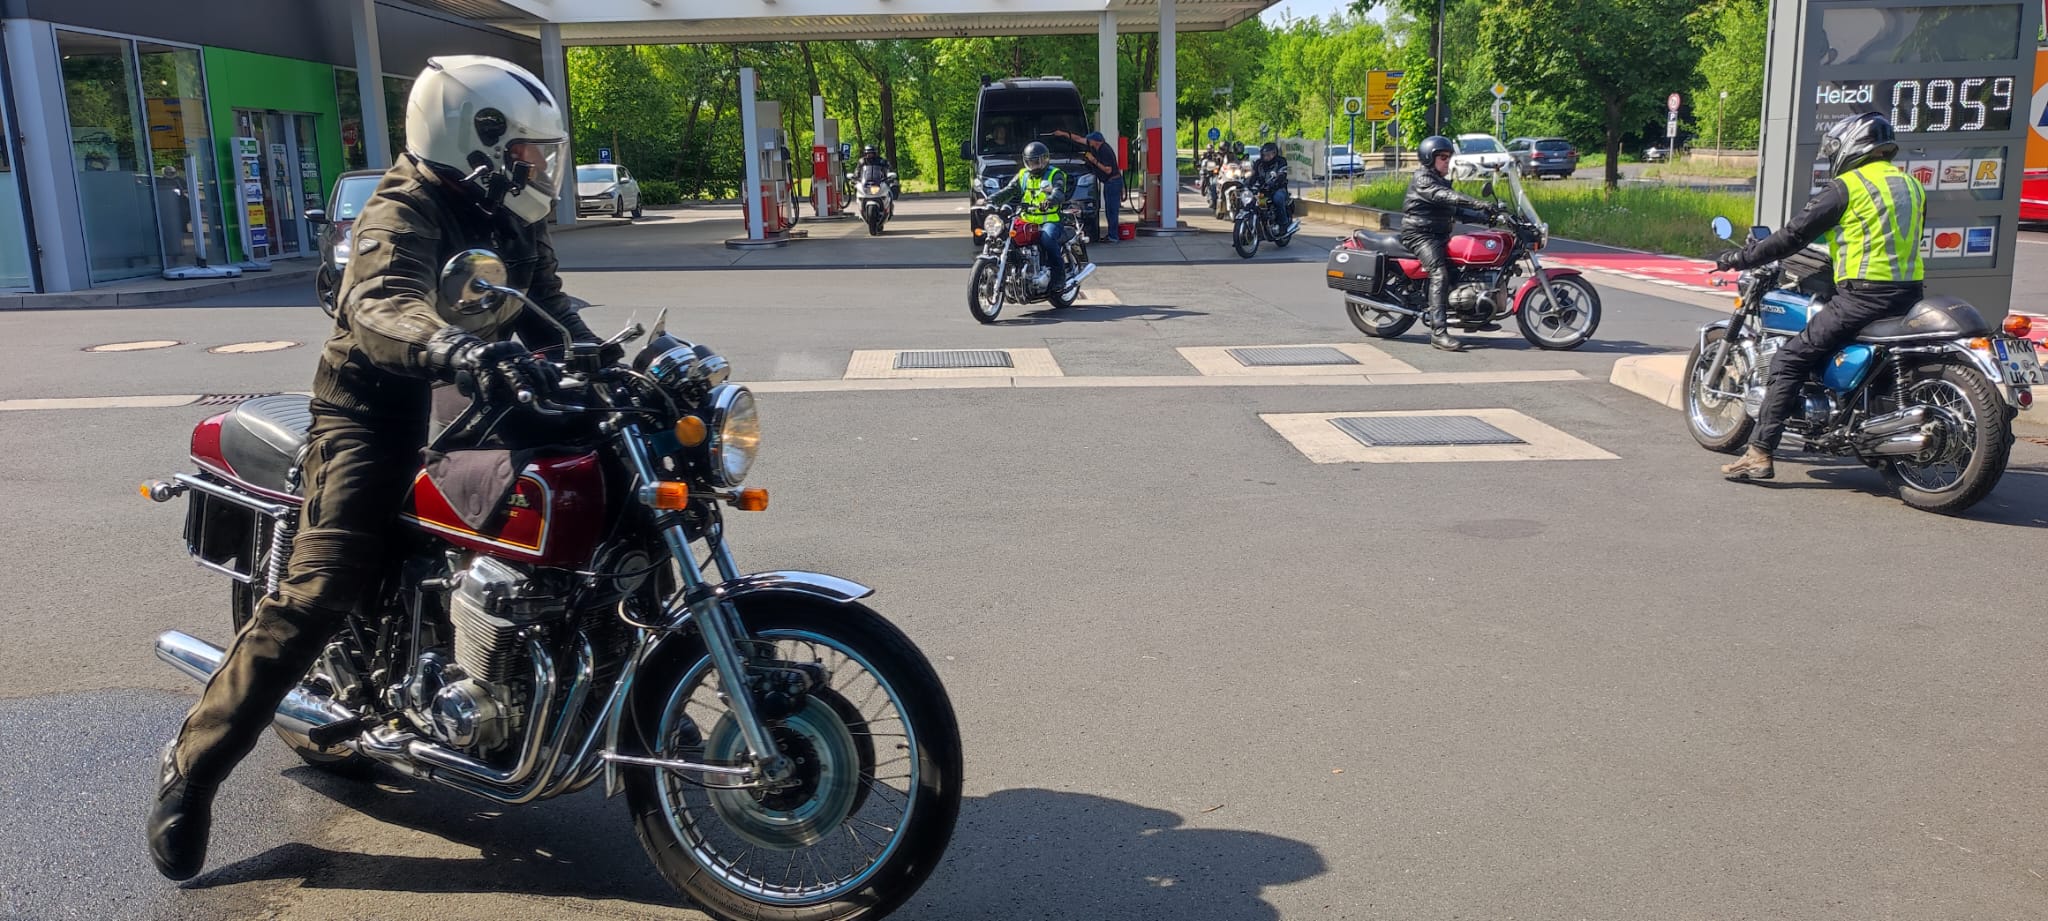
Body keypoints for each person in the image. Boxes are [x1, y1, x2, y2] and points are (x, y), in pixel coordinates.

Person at [146, 54, 606, 882]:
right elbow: (381, 300)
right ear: (476, 142)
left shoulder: (506, 216)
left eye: (543, 153)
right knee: (323, 585)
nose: (539, 166)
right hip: (373, 408)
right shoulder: (404, 206)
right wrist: (451, 343)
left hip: (466, 396)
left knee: (601, 494)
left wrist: (607, 361)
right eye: (529, 152)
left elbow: (548, 307)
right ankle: (193, 768)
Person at [1713, 112, 1925, 481]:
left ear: (1850, 146)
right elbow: (1875, 234)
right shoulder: (1910, 185)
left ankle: (1759, 452)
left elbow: (1793, 235)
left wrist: (1741, 258)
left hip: (1862, 297)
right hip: (1909, 295)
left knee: (1789, 359)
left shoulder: (1848, 186)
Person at [1402, 134, 1504, 352]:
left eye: (1449, 157)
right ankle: (1438, 333)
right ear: (1429, 159)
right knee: (1439, 274)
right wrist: (1478, 203)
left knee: (1465, 271)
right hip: (1420, 235)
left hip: (1439, 234)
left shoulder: (1440, 180)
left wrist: (1490, 217)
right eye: (1442, 158)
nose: (1447, 162)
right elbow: (1445, 196)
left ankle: (1476, 316)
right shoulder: (1423, 180)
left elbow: (1456, 211)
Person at [986, 140, 1073, 297]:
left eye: (1037, 161)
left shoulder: (1055, 174)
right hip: (1026, 220)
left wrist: (1050, 200)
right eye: (1030, 162)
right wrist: (991, 200)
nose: (1033, 165)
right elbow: (1009, 190)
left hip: (1050, 220)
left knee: (1047, 239)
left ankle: (1059, 277)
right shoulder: (1023, 175)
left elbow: (1059, 192)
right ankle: (1017, 273)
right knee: (1006, 237)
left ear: (1045, 159)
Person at [1053, 128, 1121, 244]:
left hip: (1113, 183)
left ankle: (1113, 237)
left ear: (1096, 141)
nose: (1088, 142)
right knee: (1109, 210)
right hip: (1110, 182)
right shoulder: (1095, 146)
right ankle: (1111, 234)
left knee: (1112, 210)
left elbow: (1108, 170)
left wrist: (1093, 160)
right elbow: (1078, 139)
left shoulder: (1105, 151)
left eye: (1090, 140)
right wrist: (1063, 133)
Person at [1249, 142, 1299, 237]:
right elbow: (1253, 176)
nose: (1266, 157)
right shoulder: (1259, 163)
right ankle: (1262, 225)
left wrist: (1274, 182)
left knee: (1278, 199)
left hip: (1278, 189)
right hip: (1263, 191)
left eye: (1269, 154)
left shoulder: (1281, 161)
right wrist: (1247, 184)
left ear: (1274, 153)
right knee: (1258, 205)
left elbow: (1282, 175)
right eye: (1264, 155)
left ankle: (1283, 225)